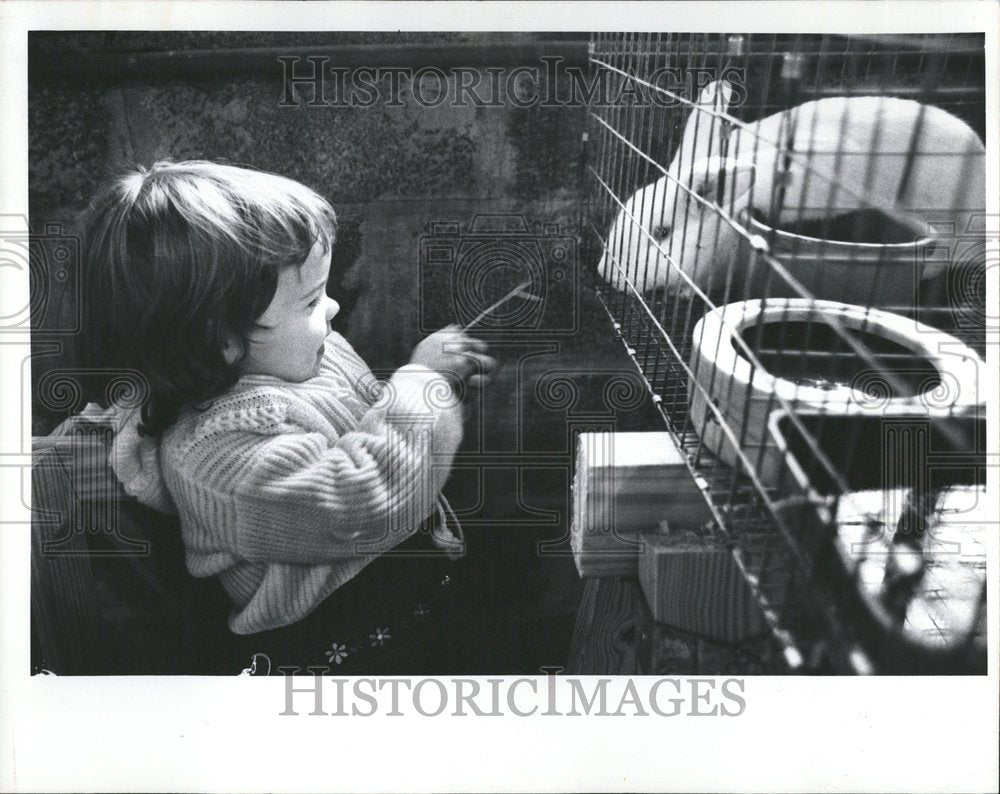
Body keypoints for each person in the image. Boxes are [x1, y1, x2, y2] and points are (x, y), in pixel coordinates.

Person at [72, 159, 494, 673]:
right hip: (340, 657)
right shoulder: (215, 454)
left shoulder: (292, 358)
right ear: (223, 340)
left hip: (408, 603)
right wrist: (422, 386)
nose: (334, 308)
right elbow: (364, 502)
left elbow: (362, 422)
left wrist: (436, 389)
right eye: (312, 300)